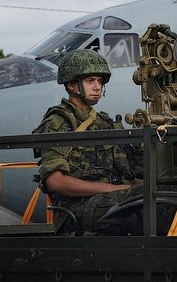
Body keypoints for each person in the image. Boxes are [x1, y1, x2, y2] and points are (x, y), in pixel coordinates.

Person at [33, 49, 143, 235]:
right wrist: (116, 190)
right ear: (72, 84)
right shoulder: (59, 122)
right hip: (79, 207)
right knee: (142, 204)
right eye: (90, 81)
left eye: (99, 81)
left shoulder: (105, 123)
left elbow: (133, 176)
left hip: (114, 200)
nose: (97, 87)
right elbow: (55, 182)